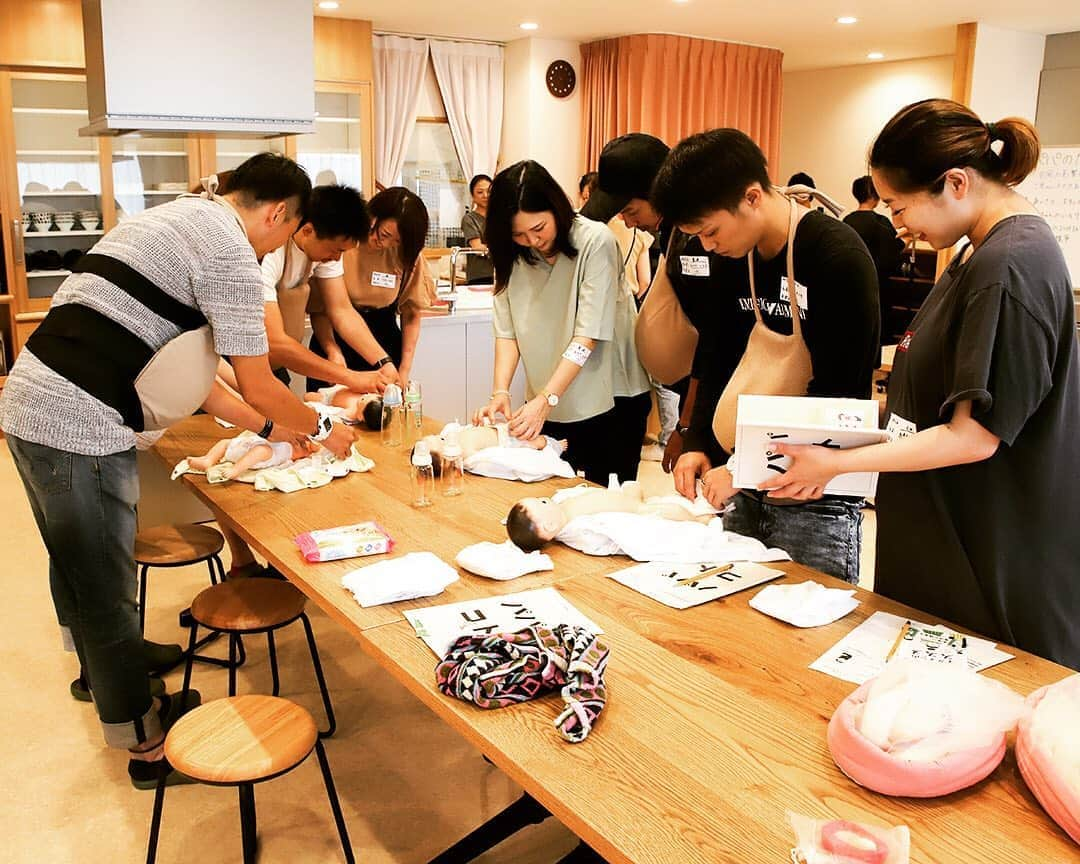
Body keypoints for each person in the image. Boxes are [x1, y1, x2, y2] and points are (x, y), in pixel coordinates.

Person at [0, 152, 356, 789]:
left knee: (75, 558)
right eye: (286, 231)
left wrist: (274, 430)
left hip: (32, 404)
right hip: (77, 422)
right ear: (278, 213)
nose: (278, 248)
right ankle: (144, 744)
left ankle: (105, 669)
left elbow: (203, 384)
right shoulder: (231, 253)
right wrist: (323, 428)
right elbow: (258, 381)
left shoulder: (172, 219)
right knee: (104, 580)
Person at [762, 99, 1080, 669]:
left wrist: (833, 464)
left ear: (955, 183)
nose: (896, 223)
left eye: (899, 205)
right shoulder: (976, 253)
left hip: (988, 546)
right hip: (946, 528)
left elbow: (973, 436)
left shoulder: (1010, 266)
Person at [651, 128, 880, 583]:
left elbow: (839, 392)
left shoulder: (836, 256)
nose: (708, 245)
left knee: (806, 625)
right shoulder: (736, 256)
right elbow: (719, 351)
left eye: (711, 231)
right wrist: (699, 442)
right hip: (746, 477)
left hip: (818, 495)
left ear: (752, 196)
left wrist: (742, 468)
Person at [474, 160, 647, 484]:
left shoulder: (596, 242)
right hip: (547, 397)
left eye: (538, 229)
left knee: (602, 503)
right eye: (519, 234)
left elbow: (588, 337)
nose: (533, 241)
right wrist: (501, 391)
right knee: (547, 496)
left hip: (609, 398)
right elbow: (508, 331)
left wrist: (547, 399)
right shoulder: (510, 252)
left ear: (556, 208)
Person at [260, 183, 389, 392]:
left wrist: (383, 362)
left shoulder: (326, 254)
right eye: (336, 250)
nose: (337, 258)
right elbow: (274, 340)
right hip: (235, 362)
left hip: (274, 364)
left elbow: (341, 310)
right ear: (308, 230)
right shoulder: (270, 254)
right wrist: (350, 377)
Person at [306, 187, 434, 391]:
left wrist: (404, 369)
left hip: (383, 343)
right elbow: (324, 310)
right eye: (384, 234)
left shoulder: (407, 256)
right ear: (373, 215)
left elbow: (411, 314)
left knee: (381, 416)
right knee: (329, 410)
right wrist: (332, 350)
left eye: (396, 241)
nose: (385, 244)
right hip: (334, 340)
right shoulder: (341, 244)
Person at [506, 483, 712, 552]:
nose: (544, 498)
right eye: (541, 503)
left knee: (634, 486)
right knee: (670, 509)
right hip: (636, 510)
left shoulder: (562, 505)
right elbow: (608, 535)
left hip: (623, 498)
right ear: (549, 525)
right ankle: (699, 522)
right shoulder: (578, 529)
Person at [844, 175, 904, 344]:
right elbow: (892, 254)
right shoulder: (880, 222)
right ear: (874, 194)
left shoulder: (847, 221)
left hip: (850, 286)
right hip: (876, 287)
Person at [184, 433, 313, 480]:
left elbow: (315, 447)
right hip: (247, 445)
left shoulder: (308, 447)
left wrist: (309, 440)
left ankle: (236, 470)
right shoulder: (293, 431)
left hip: (268, 453)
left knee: (261, 450)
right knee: (225, 442)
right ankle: (208, 460)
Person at [461, 174, 495, 284]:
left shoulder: (499, 218)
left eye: (489, 191)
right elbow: (478, 248)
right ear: (473, 196)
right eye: (480, 192)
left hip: (499, 273)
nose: (485, 195)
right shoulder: (469, 219)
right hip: (479, 276)